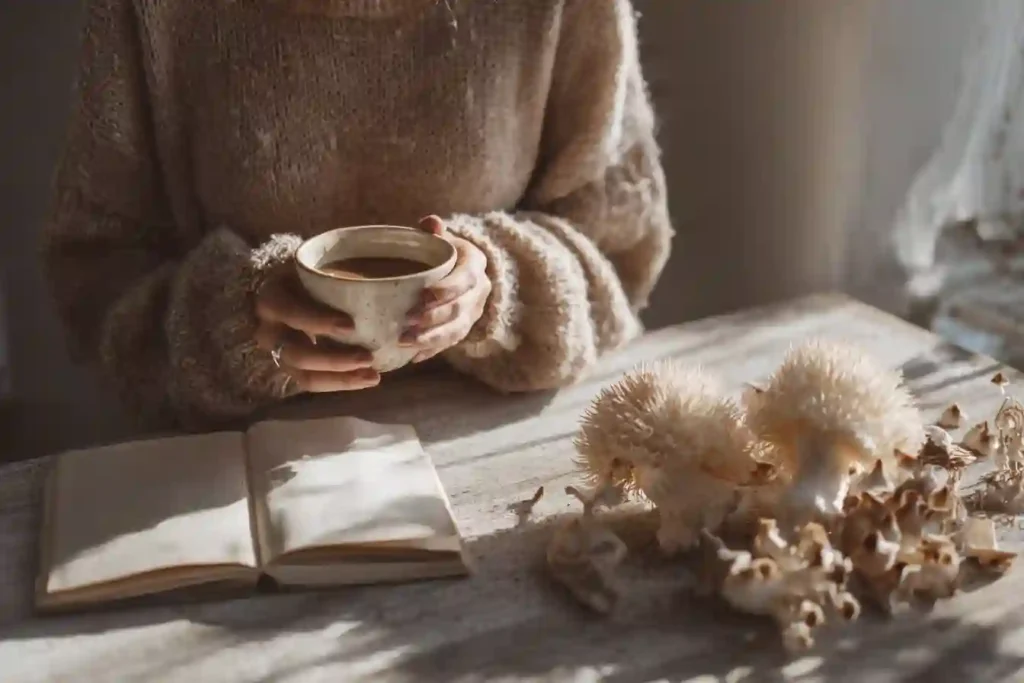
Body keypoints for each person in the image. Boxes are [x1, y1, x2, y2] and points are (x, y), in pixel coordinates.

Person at [42, 0, 674, 429]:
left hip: (496, 455)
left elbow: (617, 256)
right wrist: (228, 326)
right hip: (226, 482)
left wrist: (495, 283)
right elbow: (94, 274)